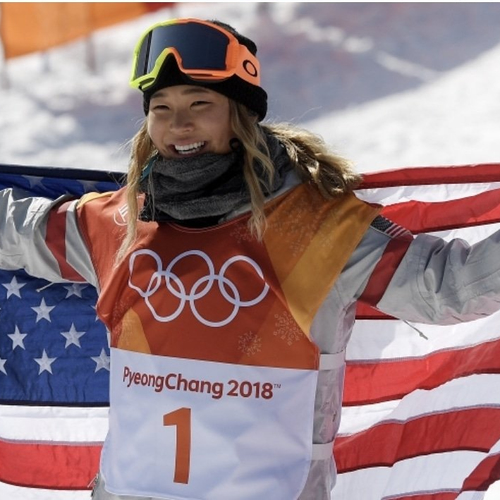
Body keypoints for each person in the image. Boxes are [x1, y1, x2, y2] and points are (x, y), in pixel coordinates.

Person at [1, 17, 500, 500]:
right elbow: (20, 233)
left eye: (201, 103)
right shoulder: (118, 223)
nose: (179, 124)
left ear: (239, 117)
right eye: (162, 108)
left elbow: (450, 290)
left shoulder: (318, 230)